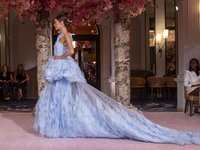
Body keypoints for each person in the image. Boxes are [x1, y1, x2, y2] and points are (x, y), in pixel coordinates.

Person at [34, 15, 200, 146]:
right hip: (58, 68)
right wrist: (56, 59)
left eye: (56, 22)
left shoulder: (66, 35)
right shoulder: (59, 36)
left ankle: (65, 126)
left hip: (62, 67)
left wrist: (58, 57)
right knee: (58, 96)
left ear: (62, 23)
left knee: (63, 96)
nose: (54, 25)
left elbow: (70, 51)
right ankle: (61, 126)